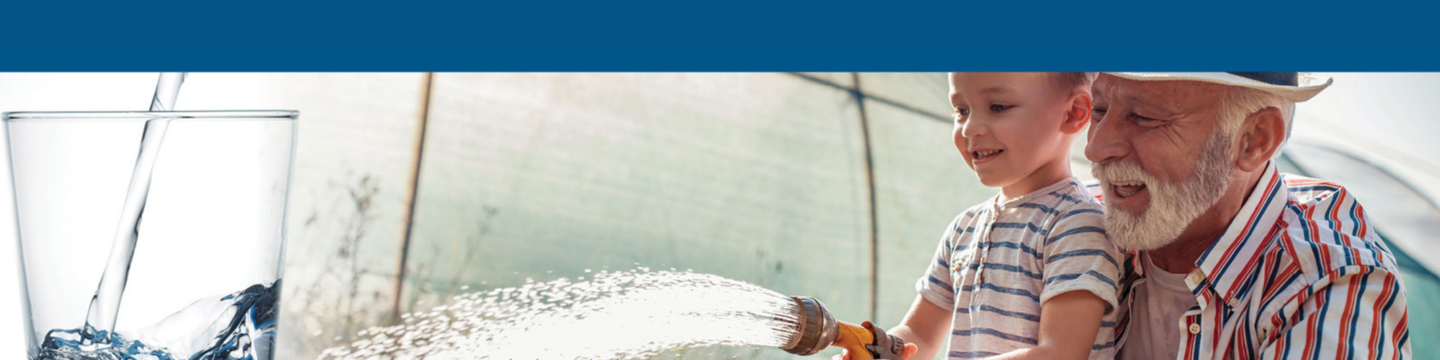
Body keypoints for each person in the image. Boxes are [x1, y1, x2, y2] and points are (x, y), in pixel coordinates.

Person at [1085, 72, 1411, 359]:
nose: (1095, 149)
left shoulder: (1329, 278)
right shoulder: (1078, 217)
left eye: (1144, 117)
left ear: (1254, 140)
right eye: (1098, 109)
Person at [840, 72, 1122, 360]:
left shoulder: (1077, 226)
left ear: (1073, 113)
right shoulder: (964, 228)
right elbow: (919, 334)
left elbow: (1060, 353)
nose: (969, 128)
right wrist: (876, 352)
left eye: (998, 107)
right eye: (961, 111)